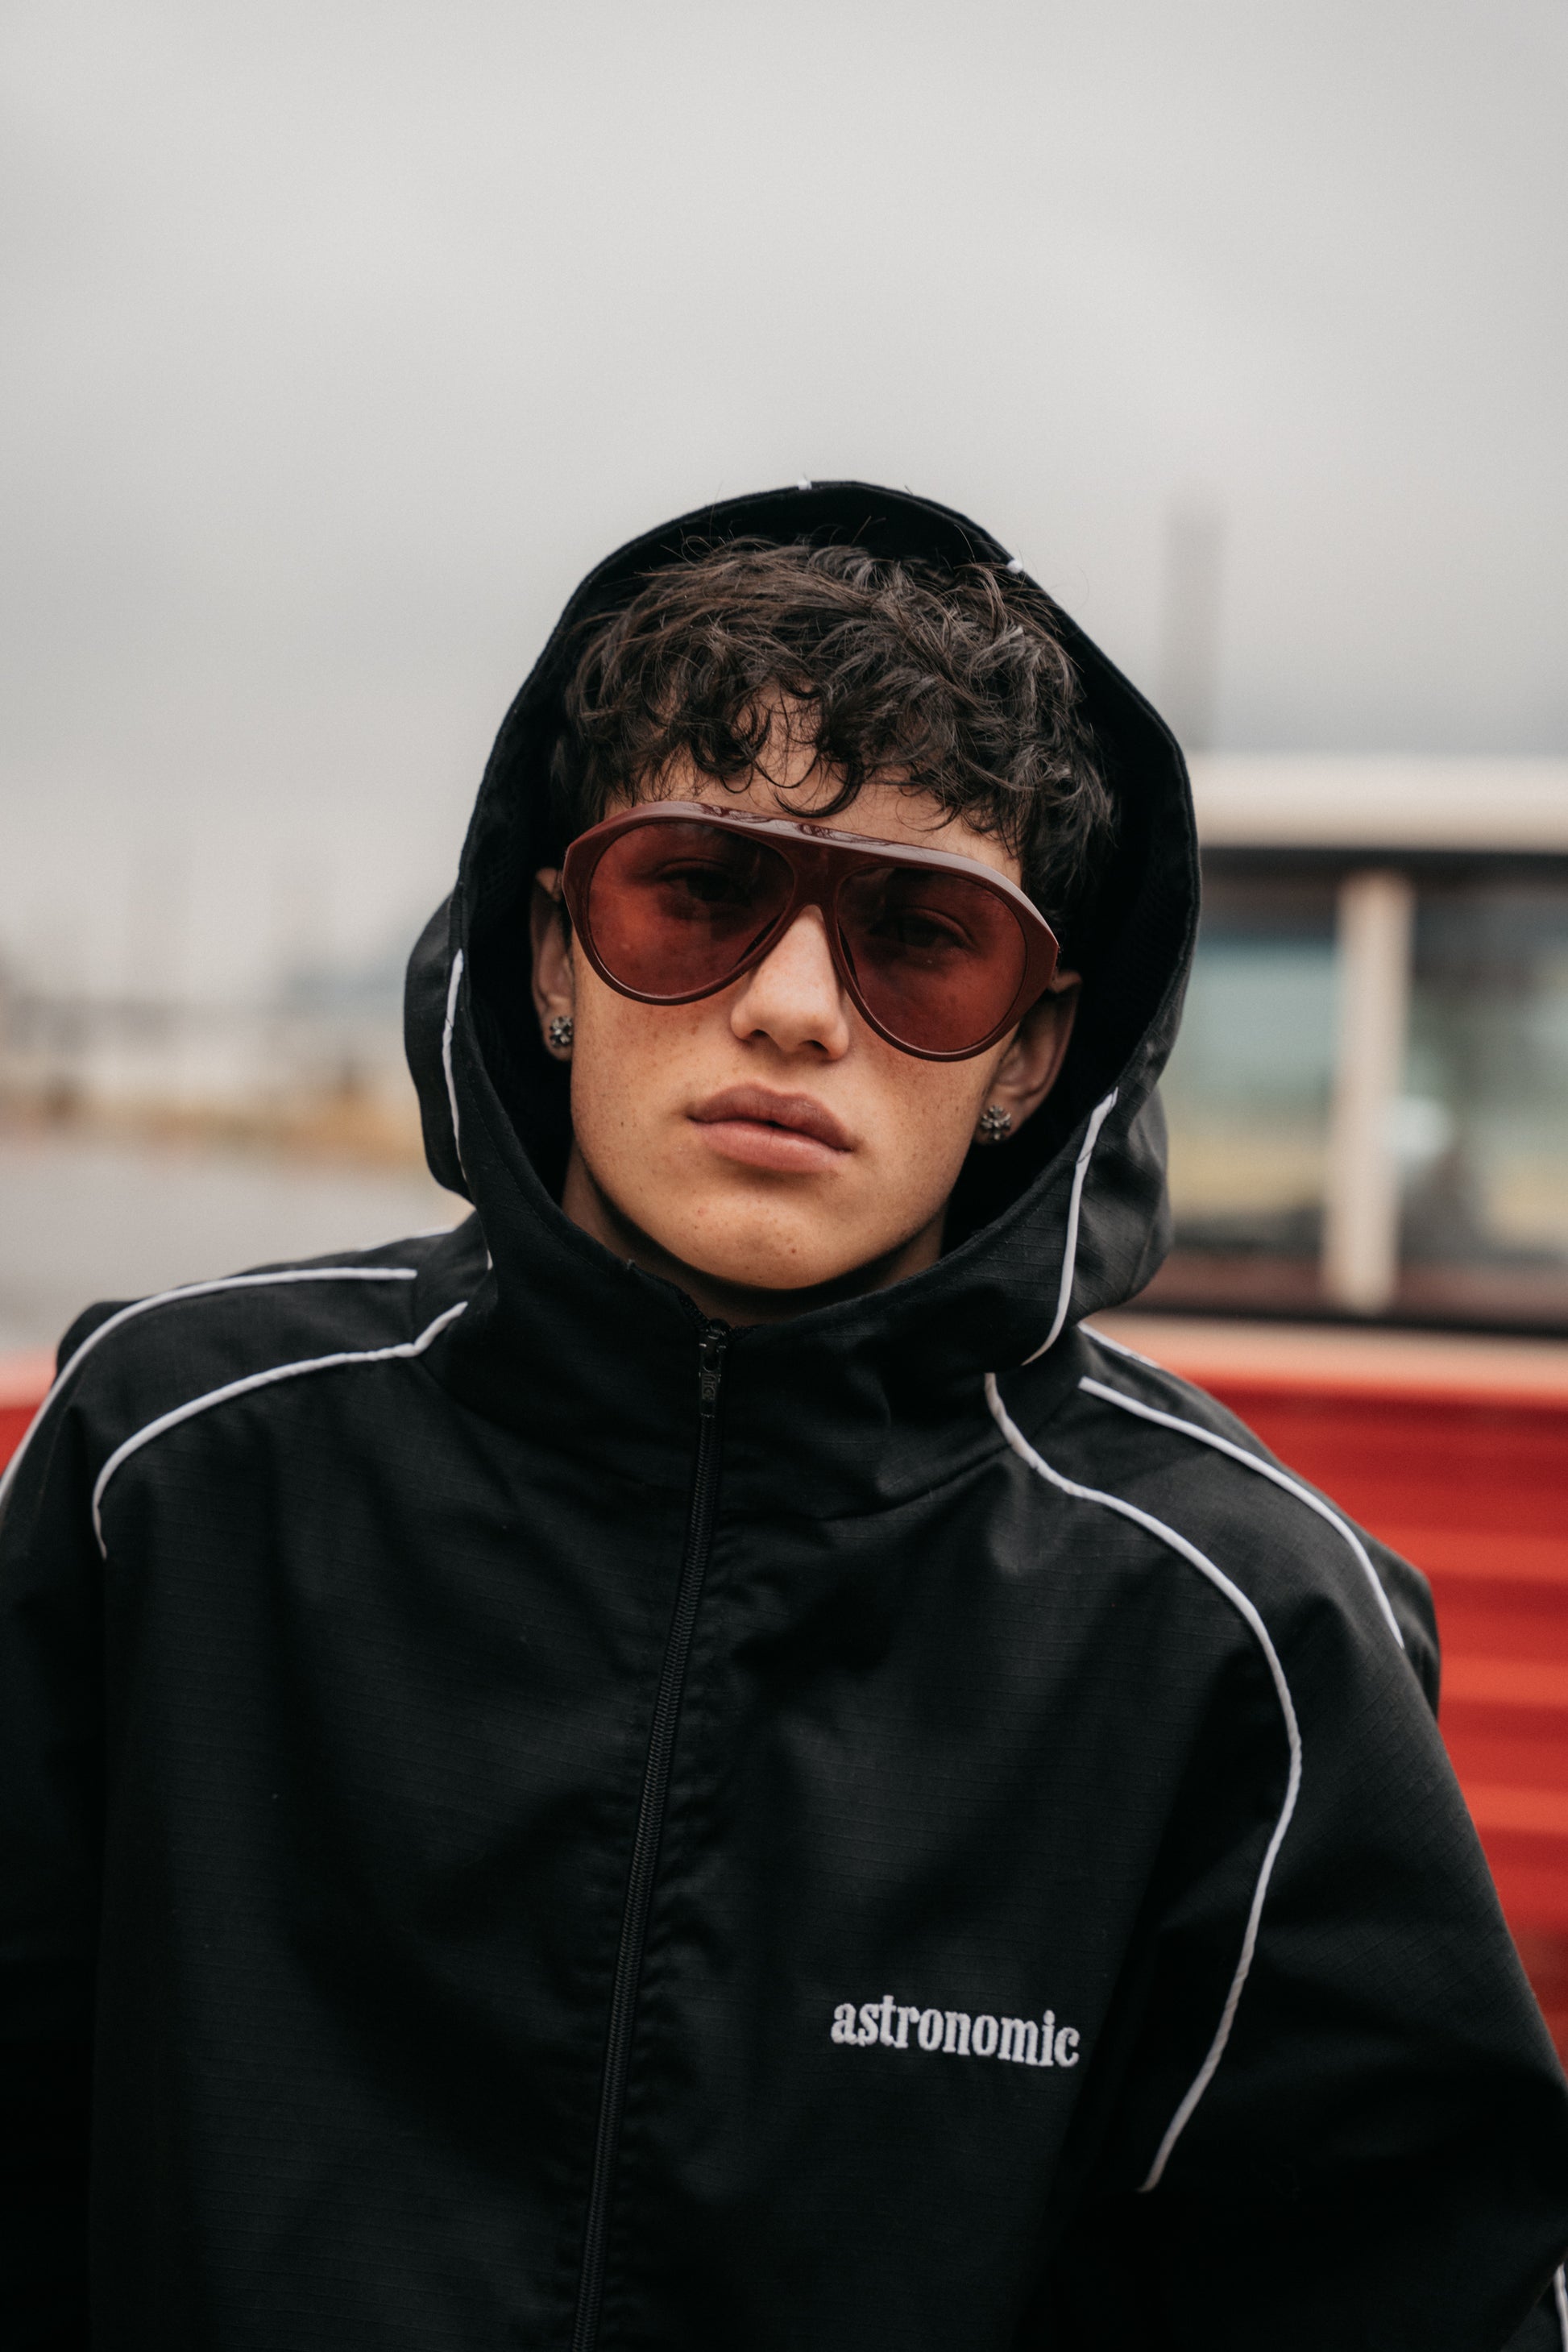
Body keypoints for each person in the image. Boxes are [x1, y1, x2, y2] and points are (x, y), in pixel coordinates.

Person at [2, 483, 1565, 2352]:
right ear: (555, 949)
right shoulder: (172, 1462)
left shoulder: (1242, 1634)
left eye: (923, 936)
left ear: (1033, 1048)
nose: (798, 1006)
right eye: (698, 891)